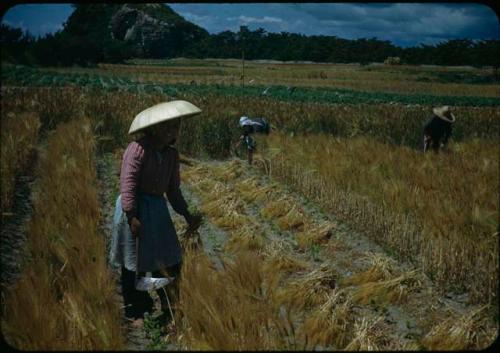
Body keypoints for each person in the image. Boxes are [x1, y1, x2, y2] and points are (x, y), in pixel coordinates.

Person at [109, 100, 203, 327]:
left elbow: (173, 190)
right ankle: (136, 309)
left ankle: (167, 303)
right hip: (136, 211)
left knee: (168, 259)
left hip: (157, 212)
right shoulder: (137, 149)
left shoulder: (171, 155)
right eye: (168, 127)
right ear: (154, 129)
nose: (174, 131)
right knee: (135, 263)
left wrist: (186, 214)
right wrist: (131, 215)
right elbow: (128, 183)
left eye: (176, 126)